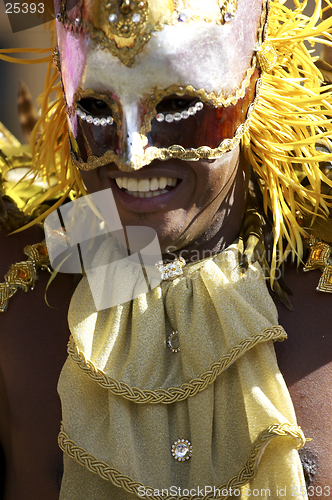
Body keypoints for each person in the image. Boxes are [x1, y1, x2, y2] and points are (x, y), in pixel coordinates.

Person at [0, 0, 332, 498]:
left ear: (255, 78)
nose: (134, 155)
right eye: (95, 106)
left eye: (177, 104)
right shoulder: (20, 292)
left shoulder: (321, 293)